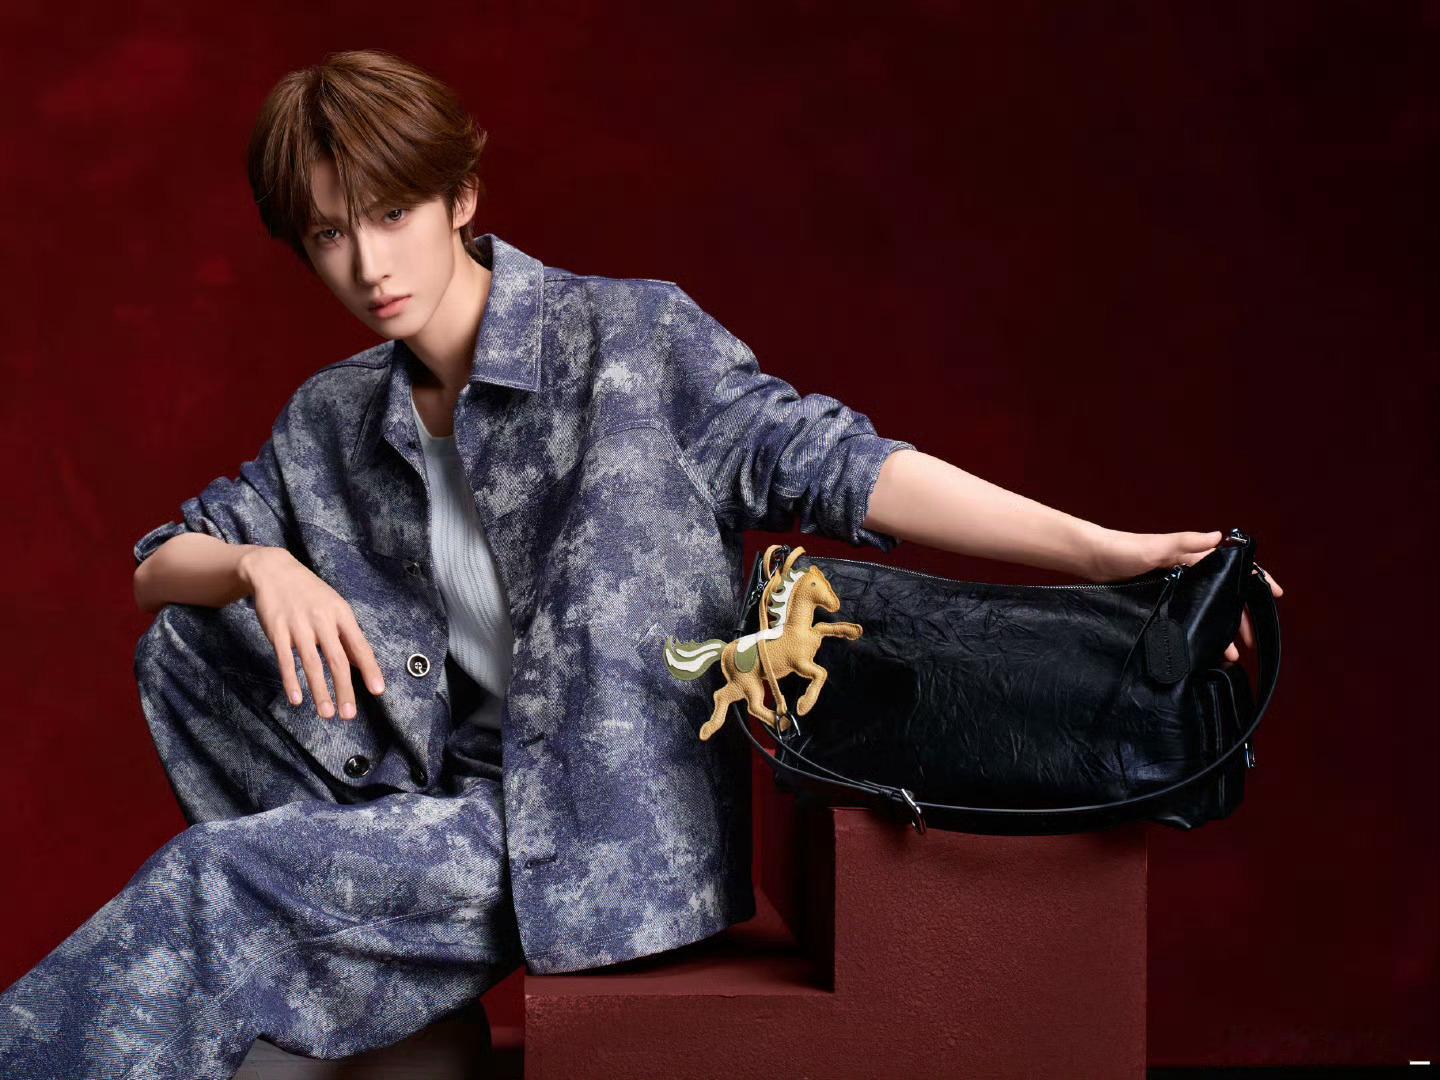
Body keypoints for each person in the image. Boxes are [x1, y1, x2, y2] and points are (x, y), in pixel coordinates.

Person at [0, 48, 1284, 1079]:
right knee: (186, 636)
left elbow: (845, 467)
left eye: (392, 214)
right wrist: (256, 569)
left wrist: (1109, 551)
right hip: (433, 797)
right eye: (330, 234)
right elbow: (160, 563)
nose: (370, 264)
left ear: (461, 198)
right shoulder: (334, 418)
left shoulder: (631, 342)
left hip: (597, 824)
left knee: (215, 884)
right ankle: (394, 987)